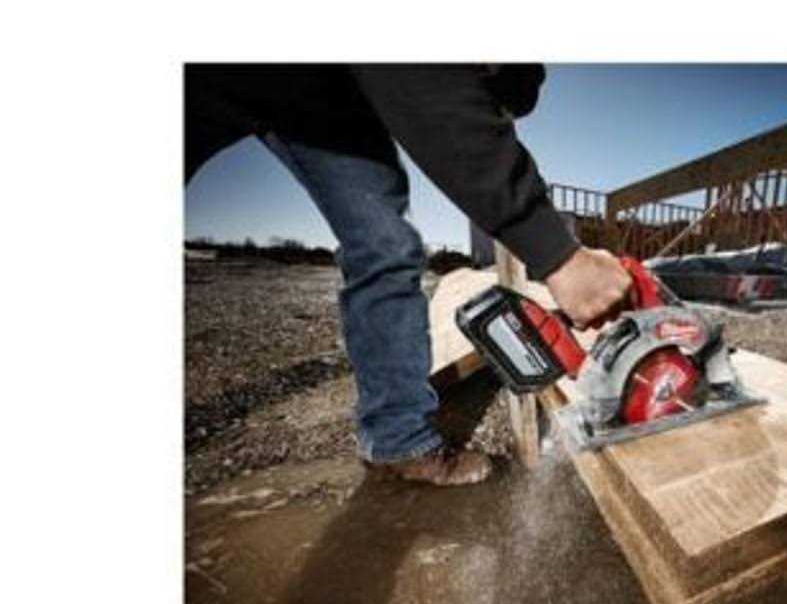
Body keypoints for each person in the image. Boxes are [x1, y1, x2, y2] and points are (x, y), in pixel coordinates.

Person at [185, 64, 632, 486]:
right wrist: (558, 254)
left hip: (325, 91)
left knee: (386, 246)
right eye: (484, 103)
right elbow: (434, 98)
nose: (484, 117)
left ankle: (397, 442)